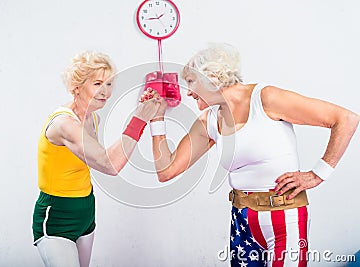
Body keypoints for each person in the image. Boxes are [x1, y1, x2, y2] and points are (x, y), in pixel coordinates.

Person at [145, 44, 359, 266]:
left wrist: (317, 174)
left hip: (283, 216)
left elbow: (345, 119)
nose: (188, 92)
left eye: (191, 82)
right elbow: (166, 170)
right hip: (242, 221)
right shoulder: (208, 120)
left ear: (213, 76)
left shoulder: (266, 98)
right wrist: (157, 119)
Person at [32, 51, 161, 267]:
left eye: (109, 83)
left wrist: (141, 114)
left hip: (86, 211)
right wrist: (140, 118)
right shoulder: (64, 124)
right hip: (57, 216)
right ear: (76, 87)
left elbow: (105, 157)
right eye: (97, 83)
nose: (105, 91)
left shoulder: (93, 118)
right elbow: (108, 164)